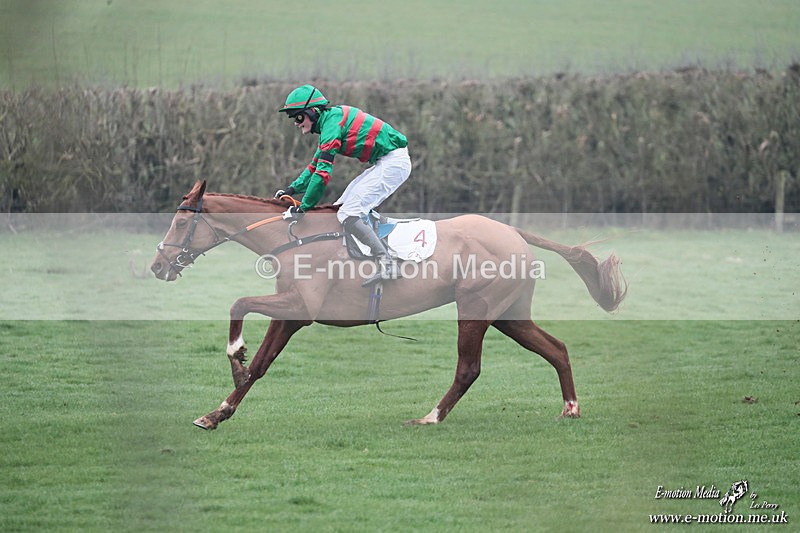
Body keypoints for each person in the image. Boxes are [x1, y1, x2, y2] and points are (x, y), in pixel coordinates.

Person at [275, 85, 411, 286]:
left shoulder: (331, 125)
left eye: (298, 117)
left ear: (313, 112)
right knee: (340, 209)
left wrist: (303, 207)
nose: (296, 123)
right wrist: (292, 189)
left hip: (393, 163)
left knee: (349, 212)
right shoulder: (330, 122)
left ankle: (387, 263)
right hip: (386, 162)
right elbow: (314, 166)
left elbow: (322, 174)